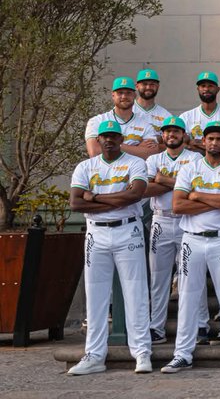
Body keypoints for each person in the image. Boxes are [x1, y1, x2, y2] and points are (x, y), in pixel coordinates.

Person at [66, 120, 153, 376]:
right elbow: (75, 203)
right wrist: (114, 201)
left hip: (129, 229)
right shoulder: (86, 166)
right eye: (104, 136)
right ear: (99, 139)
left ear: (120, 138)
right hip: (96, 233)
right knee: (96, 295)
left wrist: (94, 197)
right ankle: (94, 355)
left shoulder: (135, 163)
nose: (109, 140)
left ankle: (141, 352)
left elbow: (135, 195)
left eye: (114, 136)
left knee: (135, 292)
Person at [161, 120, 220, 374]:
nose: (214, 143)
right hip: (193, 238)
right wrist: (216, 201)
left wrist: (197, 196)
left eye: (219, 139)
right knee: (188, 297)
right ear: (203, 142)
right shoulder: (190, 169)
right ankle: (182, 354)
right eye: (210, 138)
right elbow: (178, 206)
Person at [144, 116, 205, 345]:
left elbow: (196, 189)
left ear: (184, 135)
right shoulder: (154, 158)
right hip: (160, 220)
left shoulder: (195, 158)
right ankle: (156, 327)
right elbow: (147, 189)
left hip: (187, 220)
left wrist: (163, 179)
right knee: (159, 277)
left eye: (176, 131)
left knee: (191, 275)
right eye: (167, 131)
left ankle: (200, 324)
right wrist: (179, 183)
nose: (171, 135)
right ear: (163, 135)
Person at [84, 76, 159, 158]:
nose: (124, 96)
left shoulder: (145, 124)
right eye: (120, 93)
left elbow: (152, 153)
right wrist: (137, 148)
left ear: (134, 95)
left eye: (128, 93)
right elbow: (94, 152)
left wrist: (110, 146)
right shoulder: (97, 121)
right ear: (113, 95)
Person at [180, 72, 220, 153]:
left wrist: (196, 144)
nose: (206, 89)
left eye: (210, 86)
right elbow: (181, 145)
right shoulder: (186, 117)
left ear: (218, 89)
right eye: (203, 86)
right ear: (198, 89)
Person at [135, 68, 172, 132]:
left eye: (152, 84)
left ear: (158, 86)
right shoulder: (126, 111)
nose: (148, 87)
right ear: (137, 86)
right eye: (144, 84)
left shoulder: (166, 116)